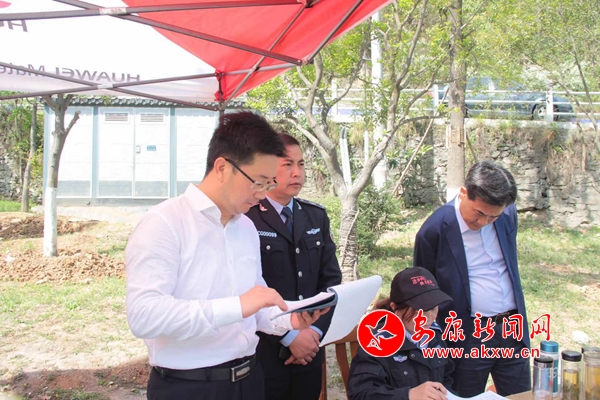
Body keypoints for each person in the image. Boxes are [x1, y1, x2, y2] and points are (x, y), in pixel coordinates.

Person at [125, 112, 327, 400]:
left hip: (251, 380)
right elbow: (144, 315)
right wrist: (237, 306)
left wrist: (288, 320)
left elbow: (255, 306)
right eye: (258, 182)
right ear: (222, 167)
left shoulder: (245, 227)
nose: (262, 194)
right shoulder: (164, 223)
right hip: (191, 386)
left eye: (269, 184)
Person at [413, 161, 530, 397]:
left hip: (512, 330)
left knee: (520, 395)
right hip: (468, 335)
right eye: (479, 214)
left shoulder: (507, 215)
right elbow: (424, 293)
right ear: (464, 193)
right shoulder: (434, 230)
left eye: (493, 217)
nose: (484, 222)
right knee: (464, 395)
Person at [245, 133, 342, 400]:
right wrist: (290, 337)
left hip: (310, 350)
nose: (297, 173)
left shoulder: (315, 216)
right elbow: (245, 289)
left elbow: (330, 283)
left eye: (301, 164)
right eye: (287, 164)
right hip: (266, 352)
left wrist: (314, 332)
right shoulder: (248, 218)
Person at [347, 267, 455, 400]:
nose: (429, 318)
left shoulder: (435, 335)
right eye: (419, 311)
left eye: (433, 308)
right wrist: (408, 395)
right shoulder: (376, 344)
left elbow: (448, 375)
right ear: (395, 309)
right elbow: (360, 394)